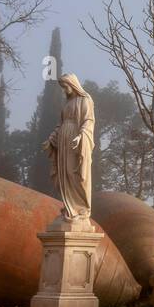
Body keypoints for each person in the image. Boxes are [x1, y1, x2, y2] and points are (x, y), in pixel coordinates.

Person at [42, 73, 94, 222]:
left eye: (65, 87)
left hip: (76, 141)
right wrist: (51, 139)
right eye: (62, 87)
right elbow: (60, 124)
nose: (64, 90)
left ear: (73, 84)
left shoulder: (85, 100)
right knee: (64, 174)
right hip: (63, 142)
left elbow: (88, 120)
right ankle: (69, 207)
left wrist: (81, 136)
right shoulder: (67, 104)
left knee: (75, 174)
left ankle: (81, 208)